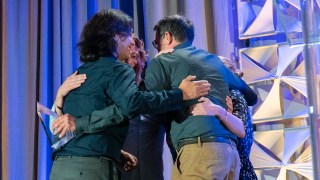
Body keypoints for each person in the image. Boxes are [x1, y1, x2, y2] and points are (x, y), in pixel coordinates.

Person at [49, 9, 211, 180]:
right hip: (91, 169)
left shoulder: (80, 73)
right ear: (114, 38)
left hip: (61, 167)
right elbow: (132, 104)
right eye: (128, 36)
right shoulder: (117, 69)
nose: (132, 43)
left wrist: (116, 152)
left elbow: (75, 126)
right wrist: (181, 94)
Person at [144, 15, 258, 179]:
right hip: (230, 154)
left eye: (157, 43)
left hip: (200, 151)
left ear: (167, 37)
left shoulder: (163, 61)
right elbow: (251, 96)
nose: (157, 48)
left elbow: (148, 103)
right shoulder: (214, 60)